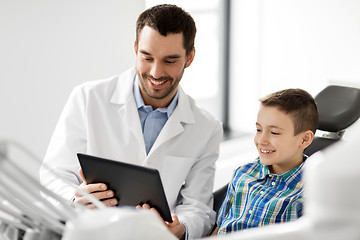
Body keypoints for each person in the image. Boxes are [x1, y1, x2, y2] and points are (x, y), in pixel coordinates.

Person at [40, 4, 223, 239]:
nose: (156, 72)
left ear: (190, 57)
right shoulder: (88, 98)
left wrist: (182, 227)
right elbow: (53, 175)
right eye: (147, 57)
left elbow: (199, 208)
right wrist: (75, 198)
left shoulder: (206, 128)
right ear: (136, 49)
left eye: (170, 61)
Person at [212, 88, 318, 235]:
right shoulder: (243, 174)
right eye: (258, 129)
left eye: (274, 132)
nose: (261, 140)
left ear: (305, 139)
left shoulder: (310, 192)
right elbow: (219, 228)